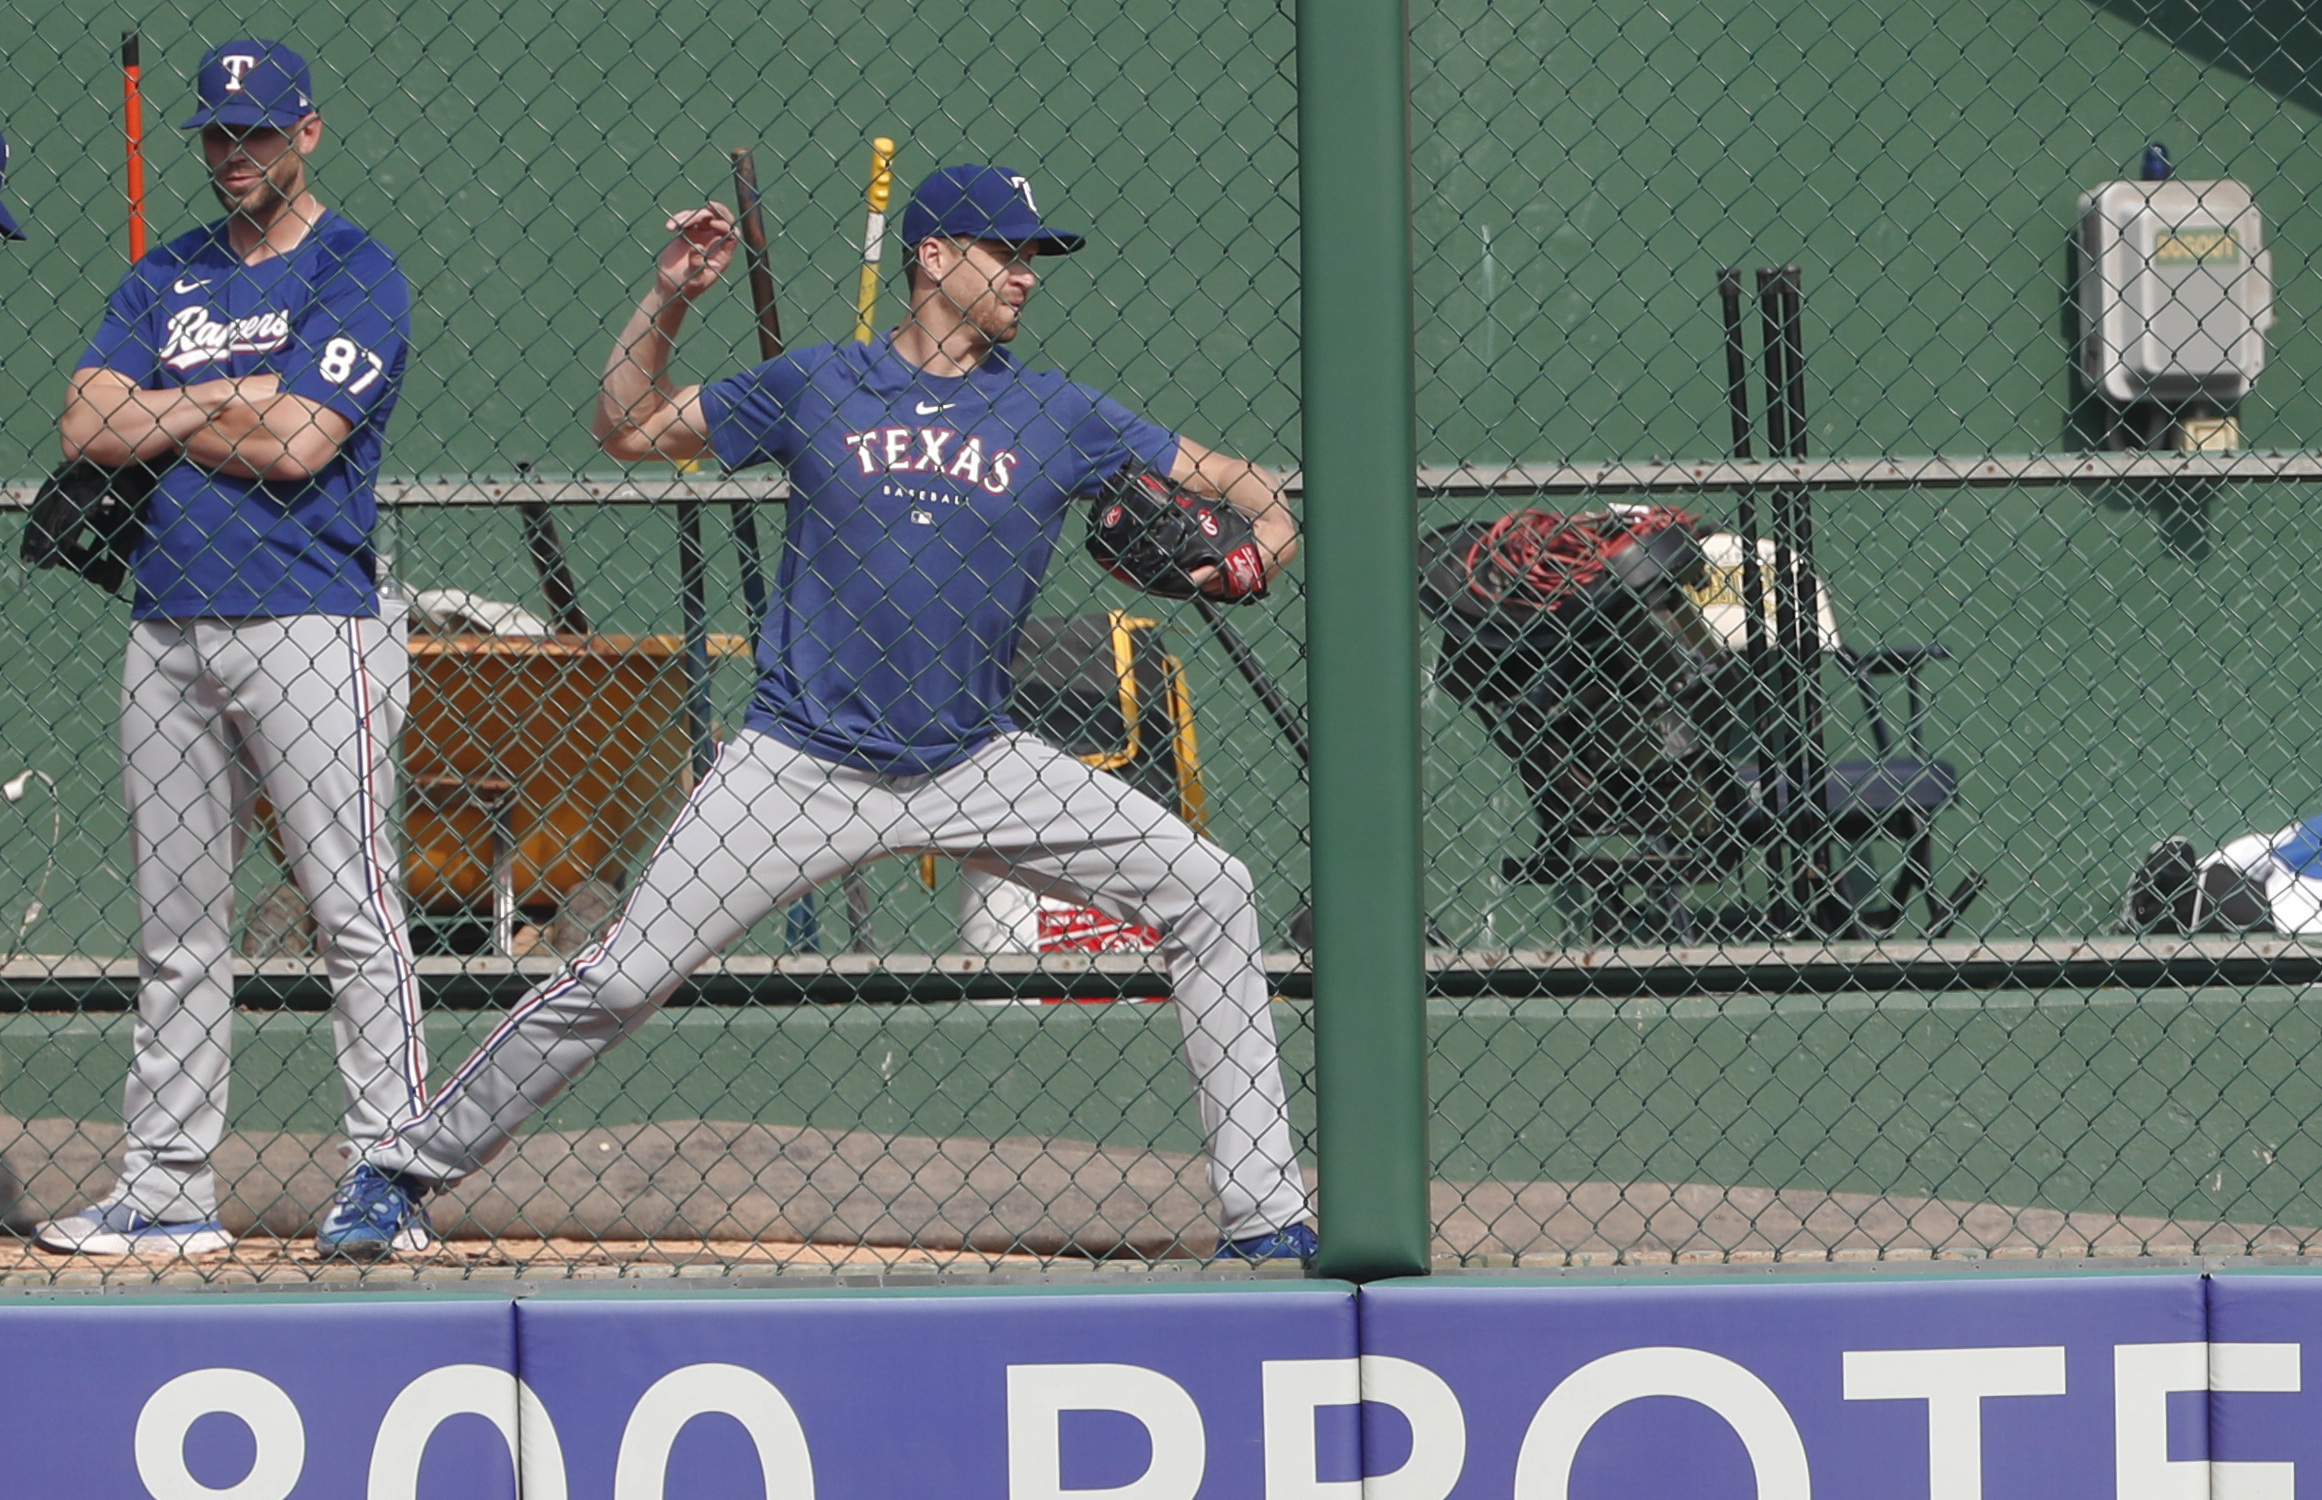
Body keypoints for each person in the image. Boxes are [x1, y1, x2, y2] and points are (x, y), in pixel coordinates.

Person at [318, 163, 1317, 1263]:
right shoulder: (817, 386)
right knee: (625, 975)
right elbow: (628, 427)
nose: (1026, 275)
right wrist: (671, 296)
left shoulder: (1060, 413)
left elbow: (1240, 480)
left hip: (970, 761)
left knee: (1214, 893)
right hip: (798, 761)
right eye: (1005, 251)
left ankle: (1266, 1217)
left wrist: (1260, 546)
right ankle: (400, 1169)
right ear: (933, 257)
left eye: (1034, 256)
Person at [36, 41, 424, 1256]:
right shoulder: (167, 273)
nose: (233, 154)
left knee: (351, 906)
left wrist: (172, 407)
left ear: (306, 133)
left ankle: (392, 1179)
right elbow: (87, 424)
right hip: (167, 622)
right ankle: (163, 1190)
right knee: (180, 926)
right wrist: (228, 396)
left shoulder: (355, 270)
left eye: (256, 132)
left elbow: (306, 443)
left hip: (312, 621)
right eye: (216, 134)